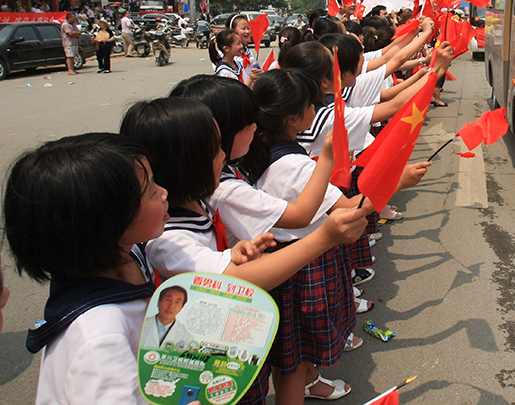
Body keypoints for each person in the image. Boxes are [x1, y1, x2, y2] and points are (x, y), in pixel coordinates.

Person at [122, 96, 371, 404]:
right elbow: (233, 280)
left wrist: (236, 251)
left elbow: (218, 263)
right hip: (207, 368)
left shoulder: (200, 206)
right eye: (215, 149)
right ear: (187, 163)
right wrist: (325, 238)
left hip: (232, 346)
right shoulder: (168, 238)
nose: (224, 155)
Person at [3, 134, 165, 404]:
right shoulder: (101, 339)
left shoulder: (124, 256)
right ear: (106, 223)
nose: (163, 192)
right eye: (150, 189)